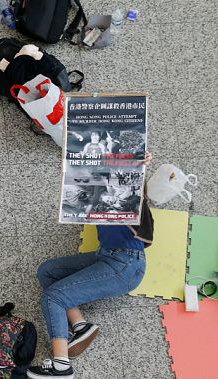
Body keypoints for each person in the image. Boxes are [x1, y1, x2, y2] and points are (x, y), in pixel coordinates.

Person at [28, 154, 153, 379]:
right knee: (47, 271)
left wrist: (136, 163)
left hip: (126, 264)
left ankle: (61, 366)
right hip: (105, 257)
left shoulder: (133, 202)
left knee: (52, 297)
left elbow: (130, 182)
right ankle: (80, 326)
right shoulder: (99, 196)